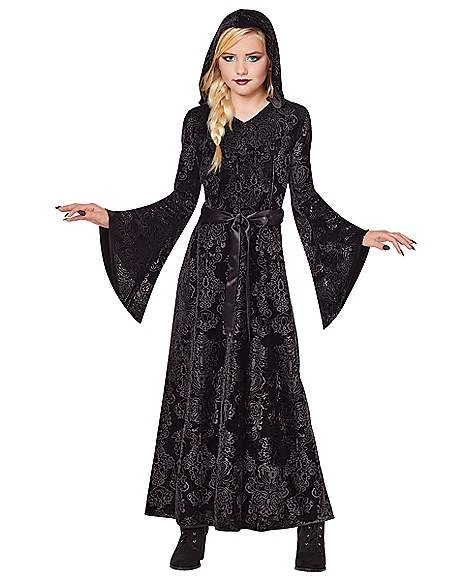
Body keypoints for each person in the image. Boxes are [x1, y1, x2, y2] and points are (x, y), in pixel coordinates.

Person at [56, 8, 416, 572]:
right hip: (207, 272)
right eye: (230, 57)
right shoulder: (198, 122)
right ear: (215, 63)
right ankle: (193, 522)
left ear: (271, 60)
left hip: (264, 270)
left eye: (253, 56)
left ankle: (309, 523)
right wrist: (111, 219)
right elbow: (181, 200)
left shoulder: (292, 120)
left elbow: (305, 200)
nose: (242, 67)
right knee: (200, 383)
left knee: (277, 385)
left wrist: (358, 236)